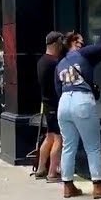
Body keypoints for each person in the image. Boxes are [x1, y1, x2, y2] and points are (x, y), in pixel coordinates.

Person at [55, 31, 101, 199]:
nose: (83, 45)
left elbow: (57, 89)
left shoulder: (60, 64)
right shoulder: (82, 53)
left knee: (68, 146)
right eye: (81, 41)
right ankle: (98, 186)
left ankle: (68, 186)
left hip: (64, 102)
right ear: (74, 42)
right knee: (92, 146)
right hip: (82, 100)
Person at [36, 31, 65, 182]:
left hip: (46, 103)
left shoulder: (42, 61)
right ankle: (53, 172)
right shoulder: (54, 63)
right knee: (59, 138)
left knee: (49, 136)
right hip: (55, 103)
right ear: (55, 44)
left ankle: (41, 168)